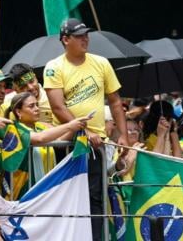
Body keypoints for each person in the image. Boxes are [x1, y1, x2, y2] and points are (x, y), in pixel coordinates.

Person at [44, 18, 128, 241]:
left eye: (86, 34)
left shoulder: (101, 63)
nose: (85, 39)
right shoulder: (54, 67)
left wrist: (124, 137)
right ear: (65, 40)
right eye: (79, 36)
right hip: (68, 142)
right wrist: (85, 131)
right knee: (67, 196)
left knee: (96, 196)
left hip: (97, 145)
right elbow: (57, 107)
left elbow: (116, 102)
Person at [3, 91, 89, 199]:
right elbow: (40, 138)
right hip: (22, 189)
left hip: (44, 189)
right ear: (18, 112)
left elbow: (60, 140)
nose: (37, 109)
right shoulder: (14, 128)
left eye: (37, 105)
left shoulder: (41, 127)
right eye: (31, 106)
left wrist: (77, 125)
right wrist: (70, 126)